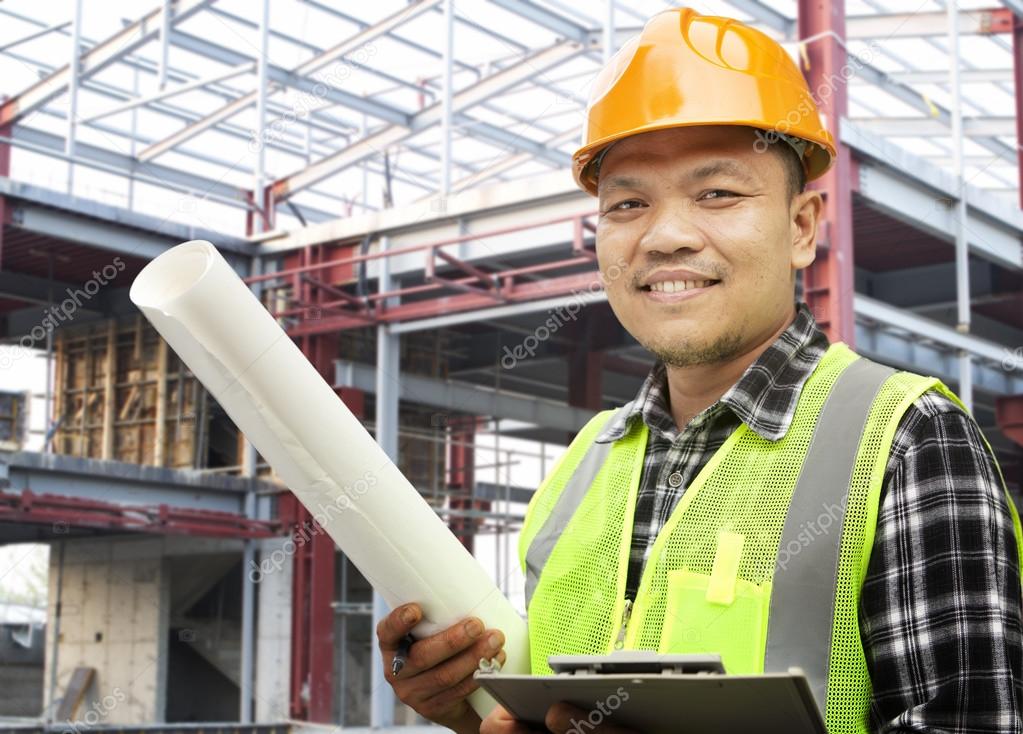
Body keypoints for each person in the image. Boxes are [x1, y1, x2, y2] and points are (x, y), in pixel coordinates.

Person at [377, 7, 1023, 733]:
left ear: (801, 227)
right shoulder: (580, 470)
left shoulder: (907, 440)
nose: (666, 236)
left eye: (716, 194)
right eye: (627, 203)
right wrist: (469, 706)